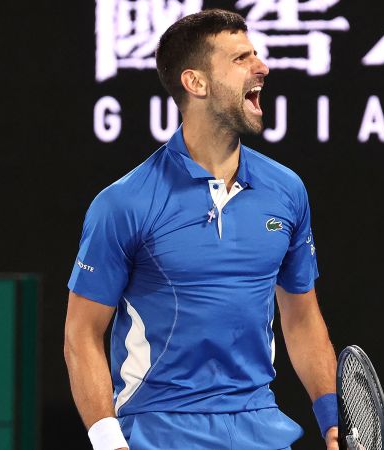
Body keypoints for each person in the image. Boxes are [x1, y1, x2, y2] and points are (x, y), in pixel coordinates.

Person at [64, 9, 339, 450]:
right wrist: (107, 440)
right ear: (196, 83)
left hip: (260, 427)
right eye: (241, 59)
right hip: (158, 431)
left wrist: (331, 416)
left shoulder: (286, 191)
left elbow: (302, 318)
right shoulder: (123, 203)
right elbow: (81, 332)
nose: (262, 67)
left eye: (256, 54)